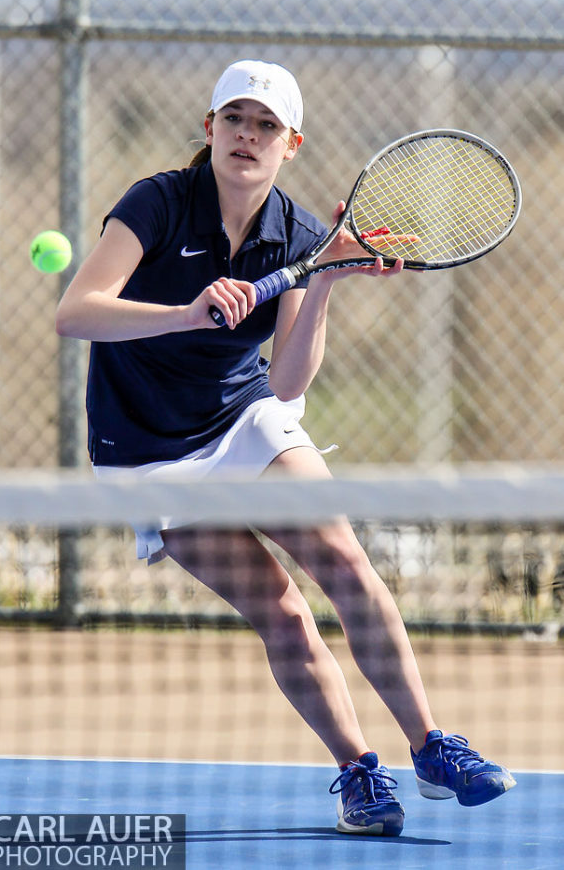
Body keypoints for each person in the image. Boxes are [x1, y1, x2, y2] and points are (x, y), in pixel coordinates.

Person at [55, 58, 516, 836]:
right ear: (210, 130)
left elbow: (290, 383)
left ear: (290, 143)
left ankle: (432, 744)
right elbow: (77, 313)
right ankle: (359, 774)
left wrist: (327, 276)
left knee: (341, 553)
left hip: (241, 417)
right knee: (283, 611)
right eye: (234, 118)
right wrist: (186, 311)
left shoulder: (298, 235)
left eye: (266, 124)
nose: (248, 134)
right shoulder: (157, 203)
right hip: (146, 453)